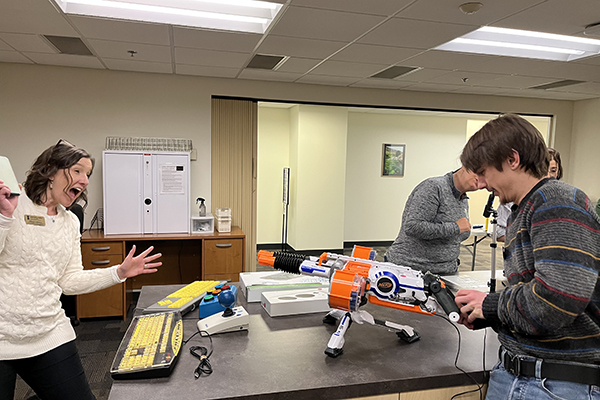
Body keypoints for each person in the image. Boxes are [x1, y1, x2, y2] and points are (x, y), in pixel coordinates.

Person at [0, 140, 162, 400]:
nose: (85, 180)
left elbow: (69, 280)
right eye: (77, 171)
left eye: (88, 174)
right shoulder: (13, 205)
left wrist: (119, 272)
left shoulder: (70, 221)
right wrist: (4, 217)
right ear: (51, 170)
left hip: (48, 333)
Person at [456, 114, 600, 400]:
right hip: (518, 373)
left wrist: (492, 306)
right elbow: (535, 298)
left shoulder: (557, 203)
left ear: (512, 159)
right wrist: (487, 314)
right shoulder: (526, 208)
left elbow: (556, 299)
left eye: (485, 172)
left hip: (553, 384)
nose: (482, 183)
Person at [386, 166, 482, 275]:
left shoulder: (463, 199)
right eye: (480, 172)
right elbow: (413, 226)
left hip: (445, 272)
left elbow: (455, 235)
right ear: (465, 166)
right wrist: (455, 227)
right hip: (412, 270)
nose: (482, 180)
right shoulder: (434, 187)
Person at [495, 147, 563, 242]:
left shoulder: (563, 198)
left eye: (553, 171)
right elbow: (498, 232)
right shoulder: (516, 196)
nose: (548, 176)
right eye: (544, 170)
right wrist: (525, 241)